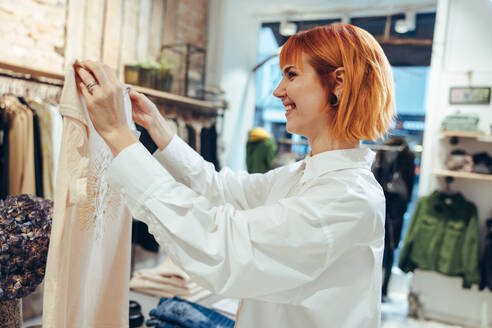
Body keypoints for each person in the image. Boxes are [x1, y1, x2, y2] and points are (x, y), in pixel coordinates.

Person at [74, 23, 395, 328]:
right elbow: (223, 189)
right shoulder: (304, 175)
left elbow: (223, 247)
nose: (278, 91)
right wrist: (159, 130)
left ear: (338, 83)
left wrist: (118, 134)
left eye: (291, 75)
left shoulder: (346, 199)